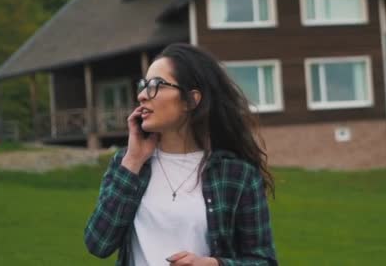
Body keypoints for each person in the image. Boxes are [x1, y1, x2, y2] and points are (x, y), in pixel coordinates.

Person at [84, 43, 278, 266]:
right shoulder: (128, 164)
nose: (142, 96)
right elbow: (98, 244)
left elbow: (264, 261)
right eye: (143, 85)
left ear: (191, 100)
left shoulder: (237, 174)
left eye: (156, 85)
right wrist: (133, 160)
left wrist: (215, 265)